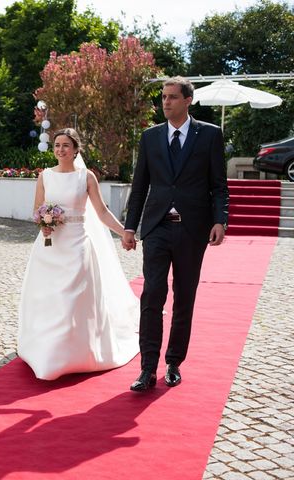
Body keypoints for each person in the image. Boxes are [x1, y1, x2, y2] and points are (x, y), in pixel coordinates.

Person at [122, 76, 229, 392]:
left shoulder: (209, 135)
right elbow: (140, 185)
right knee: (152, 295)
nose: (165, 102)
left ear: (187, 100)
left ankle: (173, 362)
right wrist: (130, 226)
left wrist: (219, 220)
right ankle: (147, 369)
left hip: (193, 230)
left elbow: (218, 186)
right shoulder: (150, 137)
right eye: (163, 97)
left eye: (171, 97)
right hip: (157, 228)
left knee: (185, 297)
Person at [18, 128, 139, 380]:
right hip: (50, 247)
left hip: (77, 246)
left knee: (73, 300)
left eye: (66, 145)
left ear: (76, 150)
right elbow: (36, 209)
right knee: (49, 299)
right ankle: (47, 351)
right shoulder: (45, 176)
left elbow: (102, 212)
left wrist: (124, 232)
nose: (60, 149)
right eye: (57, 145)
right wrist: (44, 222)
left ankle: (76, 352)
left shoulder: (86, 177)